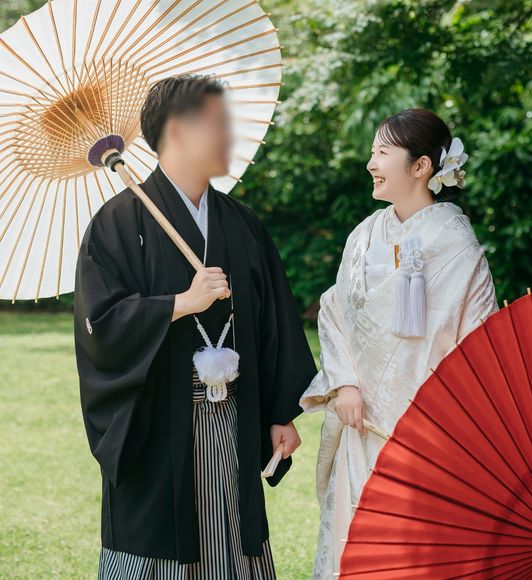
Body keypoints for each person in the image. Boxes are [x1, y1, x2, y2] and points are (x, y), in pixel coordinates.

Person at [73, 74, 318, 579]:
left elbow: (273, 323)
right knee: (160, 546)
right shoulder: (116, 224)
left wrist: (280, 413)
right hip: (158, 422)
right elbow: (101, 326)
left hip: (235, 417)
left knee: (233, 539)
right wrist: (179, 304)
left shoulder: (242, 223)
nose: (228, 135)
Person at [299, 108, 500, 579]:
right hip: (361, 421)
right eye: (372, 152)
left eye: (383, 152)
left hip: (426, 432)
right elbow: (333, 311)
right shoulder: (365, 234)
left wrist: (442, 418)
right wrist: (344, 383)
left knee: (413, 557)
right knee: (355, 548)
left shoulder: (457, 244)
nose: (371, 163)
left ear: (421, 166)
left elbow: (480, 345)